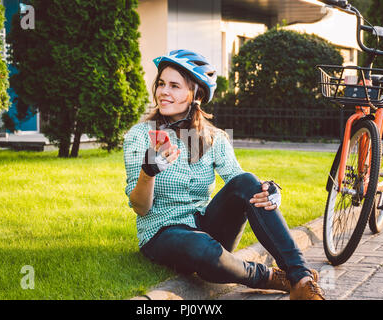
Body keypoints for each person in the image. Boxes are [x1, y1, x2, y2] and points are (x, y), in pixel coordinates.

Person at [123, 49, 325, 300]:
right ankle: (272, 277)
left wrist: (269, 191)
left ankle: (302, 279)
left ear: (196, 95)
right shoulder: (140, 136)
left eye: (174, 86)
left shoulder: (214, 138)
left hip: (204, 225)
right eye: (161, 84)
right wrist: (148, 172)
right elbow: (140, 208)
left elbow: (240, 183)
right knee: (201, 246)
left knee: (249, 182)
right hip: (162, 233)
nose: (163, 91)